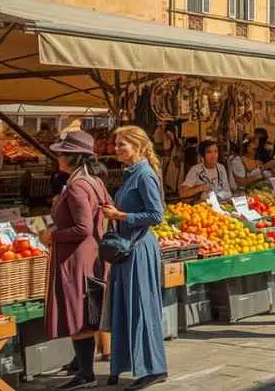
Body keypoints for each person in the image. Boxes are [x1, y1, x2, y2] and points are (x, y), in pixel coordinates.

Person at [101, 126, 167, 390]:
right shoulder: (131, 174)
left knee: (141, 306)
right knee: (124, 306)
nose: (116, 149)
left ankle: (153, 368)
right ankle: (123, 363)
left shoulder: (145, 175)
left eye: (122, 145)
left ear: (137, 146)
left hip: (138, 249)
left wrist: (120, 215)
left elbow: (156, 215)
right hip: (125, 248)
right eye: (116, 144)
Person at [43, 131, 110, 390]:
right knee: (85, 309)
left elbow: (82, 228)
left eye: (62, 153)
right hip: (91, 254)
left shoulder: (76, 186)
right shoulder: (94, 181)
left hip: (76, 258)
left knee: (78, 311)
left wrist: (52, 235)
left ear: (73, 157)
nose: (58, 157)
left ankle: (85, 374)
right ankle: (80, 364)